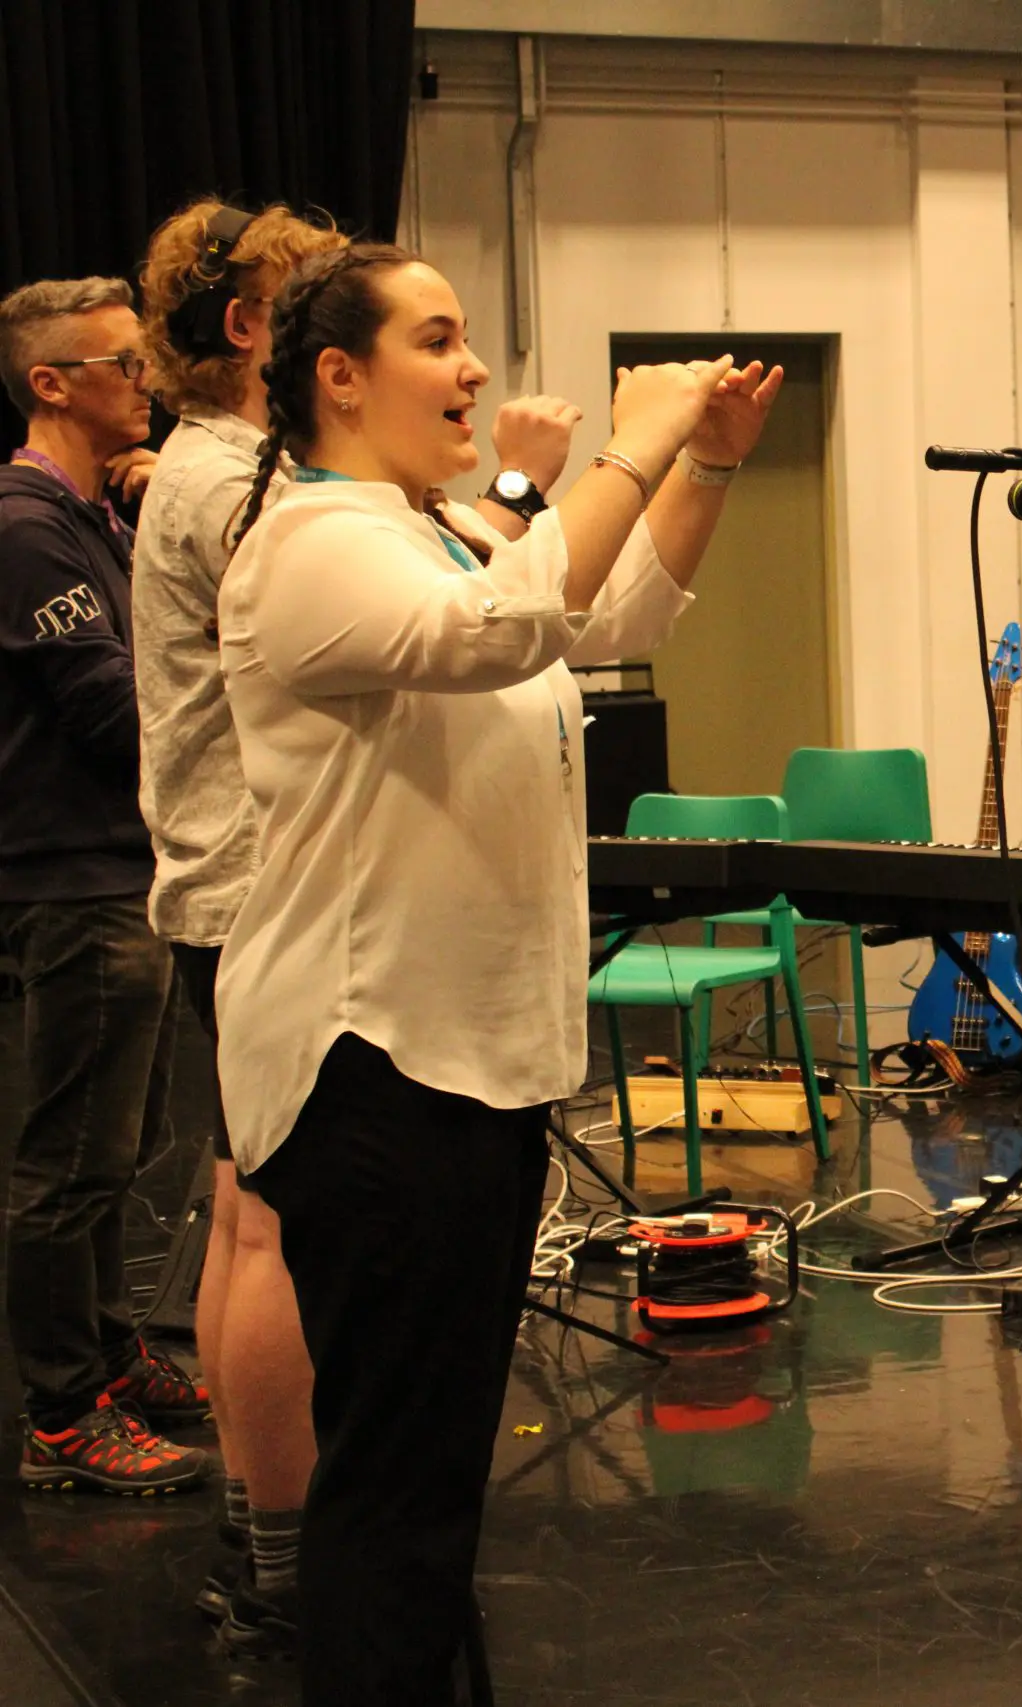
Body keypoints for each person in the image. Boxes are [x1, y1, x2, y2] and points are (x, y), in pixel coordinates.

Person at [216, 241, 778, 1704]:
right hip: (373, 1062)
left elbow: (605, 615)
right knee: (397, 1486)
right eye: (438, 339)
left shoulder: (441, 529)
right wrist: (632, 433)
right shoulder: (312, 540)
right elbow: (513, 620)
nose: (473, 369)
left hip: (468, 1061)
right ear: (338, 374)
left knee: (430, 1478)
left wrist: (702, 466)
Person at [131, 199, 587, 1656]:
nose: (464, 365)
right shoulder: (259, 497)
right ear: (295, 345)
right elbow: (471, 627)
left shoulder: (384, 505)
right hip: (302, 936)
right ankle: (279, 1539)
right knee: (277, 1257)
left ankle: (285, 1540)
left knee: (279, 1266)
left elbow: (523, 605)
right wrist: (550, 478)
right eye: (434, 336)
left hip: (338, 926)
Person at [0, 277, 213, 1496]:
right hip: (76, 880)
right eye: (124, 365)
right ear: (53, 382)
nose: (146, 382)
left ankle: (108, 1350)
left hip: (123, 870)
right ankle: (61, 1412)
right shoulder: (26, 526)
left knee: (120, 1145)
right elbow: (110, 706)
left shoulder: (96, 516)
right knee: (69, 1158)